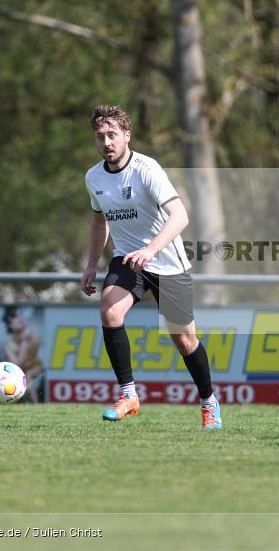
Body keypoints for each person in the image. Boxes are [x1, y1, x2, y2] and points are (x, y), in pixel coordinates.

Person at [81, 105, 222, 429]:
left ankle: (208, 401)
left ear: (127, 136)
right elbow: (99, 221)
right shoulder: (94, 177)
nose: (107, 142)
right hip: (128, 258)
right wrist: (90, 264)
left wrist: (151, 249)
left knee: (185, 341)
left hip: (168, 263)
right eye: (100, 136)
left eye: (112, 134)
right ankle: (128, 395)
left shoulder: (147, 169)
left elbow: (180, 216)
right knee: (110, 312)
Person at [0, 306, 44, 403]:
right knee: (24, 376)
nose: (20, 319)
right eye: (15, 317)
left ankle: (36, 405)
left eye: (20, 316)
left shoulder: (32, 334)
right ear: (9, 324)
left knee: (28, 375)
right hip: (18, 376)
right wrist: (24, 345)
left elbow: (38, 361)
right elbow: (16, 366)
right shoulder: (8, 345)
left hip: (35, 371)